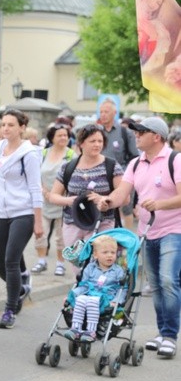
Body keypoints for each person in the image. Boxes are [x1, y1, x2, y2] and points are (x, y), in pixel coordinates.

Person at [97, 117, 181, 358]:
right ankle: (162, 331)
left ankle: (169, 336)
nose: (136, 135)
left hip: (174, 230)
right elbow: (122, 194)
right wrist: (108, 201)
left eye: (141, 131)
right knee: (154, 285)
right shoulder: (135, 163)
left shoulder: (175, 160)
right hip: (146, 231)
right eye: (135, 131)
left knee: (168, 281)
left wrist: (160, 204)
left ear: (157, 136)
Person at [0, 108, 43, 329]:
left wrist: (38, 220)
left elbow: (35, 187)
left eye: (10, 125)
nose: (5, 128)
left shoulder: (30, 153)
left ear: (22, 128)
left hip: (23, 212)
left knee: (11, 259)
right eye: (3, 125)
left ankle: (9, 308)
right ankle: (20, 287)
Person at [48, 124, 124, 274]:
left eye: (100, 141)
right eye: (92, 141)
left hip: (103, 223)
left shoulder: (111, 166)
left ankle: (98, 296)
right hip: (73, 223)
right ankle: (82, 294)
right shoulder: (68, 167)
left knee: (100, 267)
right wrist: (70, 201)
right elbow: (53, 196)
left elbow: (124, 197)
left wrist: (104, 199)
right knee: (78, 268)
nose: (97, 145)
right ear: (81, 143)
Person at [31, 124, 76, 276]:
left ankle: (60, 264)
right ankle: (41, 261)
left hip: (63, 202)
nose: (63, 138)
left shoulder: (71, 155)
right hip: (43, 200)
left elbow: (74, 178)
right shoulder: (43, 153)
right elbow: (35, 174)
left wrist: (59, 195)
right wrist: (44, 191)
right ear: (52, 138)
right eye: (60, 135)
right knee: (40, 232)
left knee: (61, 236)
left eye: (66, 135)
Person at [63, 234, 126, 343]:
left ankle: (91, 331)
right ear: (95, 255)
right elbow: (84, 285)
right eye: (105, 252)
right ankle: (75, 329)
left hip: (106, 299)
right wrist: (72, 296)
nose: (109, 256)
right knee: (80, 299)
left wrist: (116, 301)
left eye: (113, 252)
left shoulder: (118, 271)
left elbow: (122, 289)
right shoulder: (90, 267)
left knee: (92, 300)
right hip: (89, 294)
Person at [97, 98, 139, 230]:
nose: (103, 114)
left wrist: (125, 173)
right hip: (100, 177)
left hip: (123, 178)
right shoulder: (96, 132)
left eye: (106, 111)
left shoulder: (124, 132)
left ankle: (128, 241)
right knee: (104, 207)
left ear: (115, 113)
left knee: (126, 209)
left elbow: (134, 156)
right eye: (101, 112)